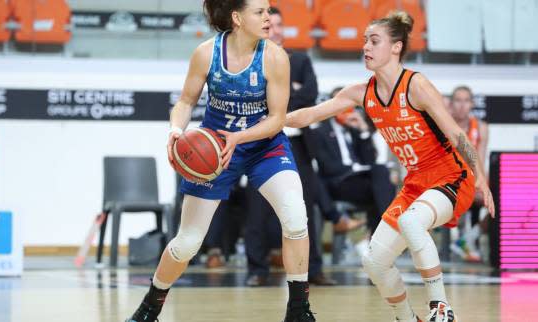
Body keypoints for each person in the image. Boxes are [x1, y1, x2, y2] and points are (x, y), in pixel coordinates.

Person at [286, 11, 494, 322]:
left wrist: (482, 179)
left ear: (395, 47)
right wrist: (264, 123)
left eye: (374, 41)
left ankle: (441, 308)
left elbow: (456, 133)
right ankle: (406, 318)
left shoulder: (415, 85)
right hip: (415, 184)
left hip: (450, 176)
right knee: (374, 262)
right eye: (364, 41)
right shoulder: (362, 93)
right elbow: (308, 116)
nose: (365, 47)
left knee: (412, 224)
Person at [126, 1, 315, 321]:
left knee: (296, 217)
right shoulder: (206, 53)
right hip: (214, 149)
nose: (269, 18)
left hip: (262, 147)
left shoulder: (275, 57)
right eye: (260, 13)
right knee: (187, 242)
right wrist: (176, 129)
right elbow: (186, 101)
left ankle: (299, 310)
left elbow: (277, 119)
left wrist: (239, 138)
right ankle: (149, 308)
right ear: (237, 18)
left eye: (269, 11)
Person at [243, 6, 334, 287]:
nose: (275, 29)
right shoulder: (248, 61)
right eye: (270, 23)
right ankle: (257, 270)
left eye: (279, 24)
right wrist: (287, 92)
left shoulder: (302, 60)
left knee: (305, 209)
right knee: (257, 210)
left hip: (298, 145)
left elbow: (309, 95)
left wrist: (279, 99)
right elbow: (251, 100)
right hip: (260, 145)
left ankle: (313, 269)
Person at [314, 87, 395, 236]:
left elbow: (370, 160)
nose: (345, 109)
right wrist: (354, 169)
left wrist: (363, 129)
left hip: (358, 183)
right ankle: (390, 228)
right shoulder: (320, 131)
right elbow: (327, 166)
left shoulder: (354, 130)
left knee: (380, 176)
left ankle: (379, 238)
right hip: (339, 182)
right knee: (382, 186)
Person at [448, 85, 490, 262]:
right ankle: (464, 241)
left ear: (472, 104)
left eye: (466, 101)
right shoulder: (444, 125)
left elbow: (479, 161)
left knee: (504, 200)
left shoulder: (480, 127)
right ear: (451, 104)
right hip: (448, 180)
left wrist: (484, 186)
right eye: (458, 100)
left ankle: (468, 239)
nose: (462, 105)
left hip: (471, 180)